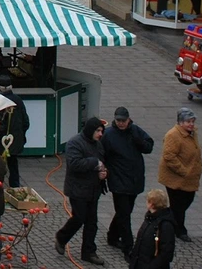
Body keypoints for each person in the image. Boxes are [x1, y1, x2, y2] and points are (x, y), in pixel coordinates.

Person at [102, 106, 155, 258]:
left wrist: (139, 142)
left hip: (134, 180)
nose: (120, 123)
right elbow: (102, 155)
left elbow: (149, 147)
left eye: (123, 121)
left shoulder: (136, 131)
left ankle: (112, 236)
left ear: (128, 119)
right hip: (118, 180)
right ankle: (128, 248)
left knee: (124, 212)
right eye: (118, 120)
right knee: (125, 215)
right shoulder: (109, 135)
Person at [55, 116, 108, 266]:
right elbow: (74, 164)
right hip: (77, 189)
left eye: (101, 131)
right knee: (79, 218)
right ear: (91, 130)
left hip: (93, 189)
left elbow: (103, 162)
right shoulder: (75, 143)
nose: (100, 134)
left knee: (92, 222)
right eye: (98, 131)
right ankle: (61, 237)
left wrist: (104, 173)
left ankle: (89, 252)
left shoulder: (98, 145)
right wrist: (94, 163)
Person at [157, 107, 202, 243]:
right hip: (175, 178)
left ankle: (164, 222)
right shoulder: (173, 135)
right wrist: (183, 171)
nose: (191, 124)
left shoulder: (192, 133)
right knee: (179, 206)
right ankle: (179, 230)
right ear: (180, 122)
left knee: (185, 202)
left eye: (192, 121)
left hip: (189, 178)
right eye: (188, 121)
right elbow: (169, 156)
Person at [0, 73, 30, 188]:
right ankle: (15, 186)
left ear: (0, 87)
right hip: (16, 138)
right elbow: (26, 122)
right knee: (13, 164)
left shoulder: (0, 101)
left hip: (2, 139)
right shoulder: (18, 100)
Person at [127, 189, 176, 269]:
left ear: (152, 205)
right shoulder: (150, 218)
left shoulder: (165, 225)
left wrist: (151, 266)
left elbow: (166, 252)